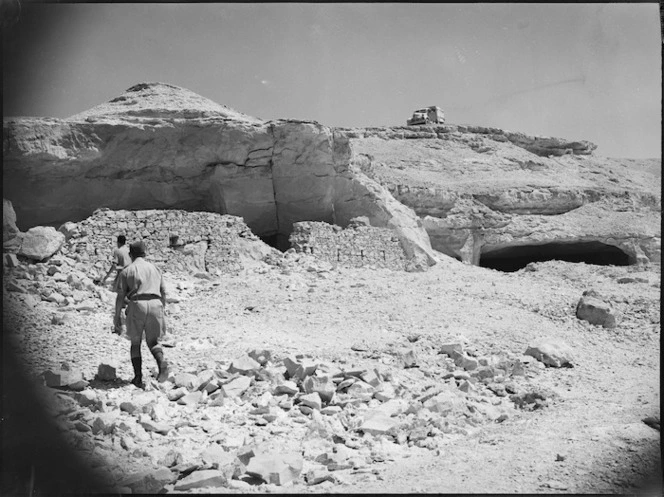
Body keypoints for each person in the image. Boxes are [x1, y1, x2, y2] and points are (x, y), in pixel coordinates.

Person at [114, 241, 169, 388]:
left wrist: (116, 316)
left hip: (138, 304)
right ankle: (161, 363)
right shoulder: (155, 268)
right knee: (153, 341)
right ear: (145, 253)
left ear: (130, 255)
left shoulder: (127, 271)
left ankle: (138, 378)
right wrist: (162, 309)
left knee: (135, 342)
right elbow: (163, 292)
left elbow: (120, 296)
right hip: (156, 303)